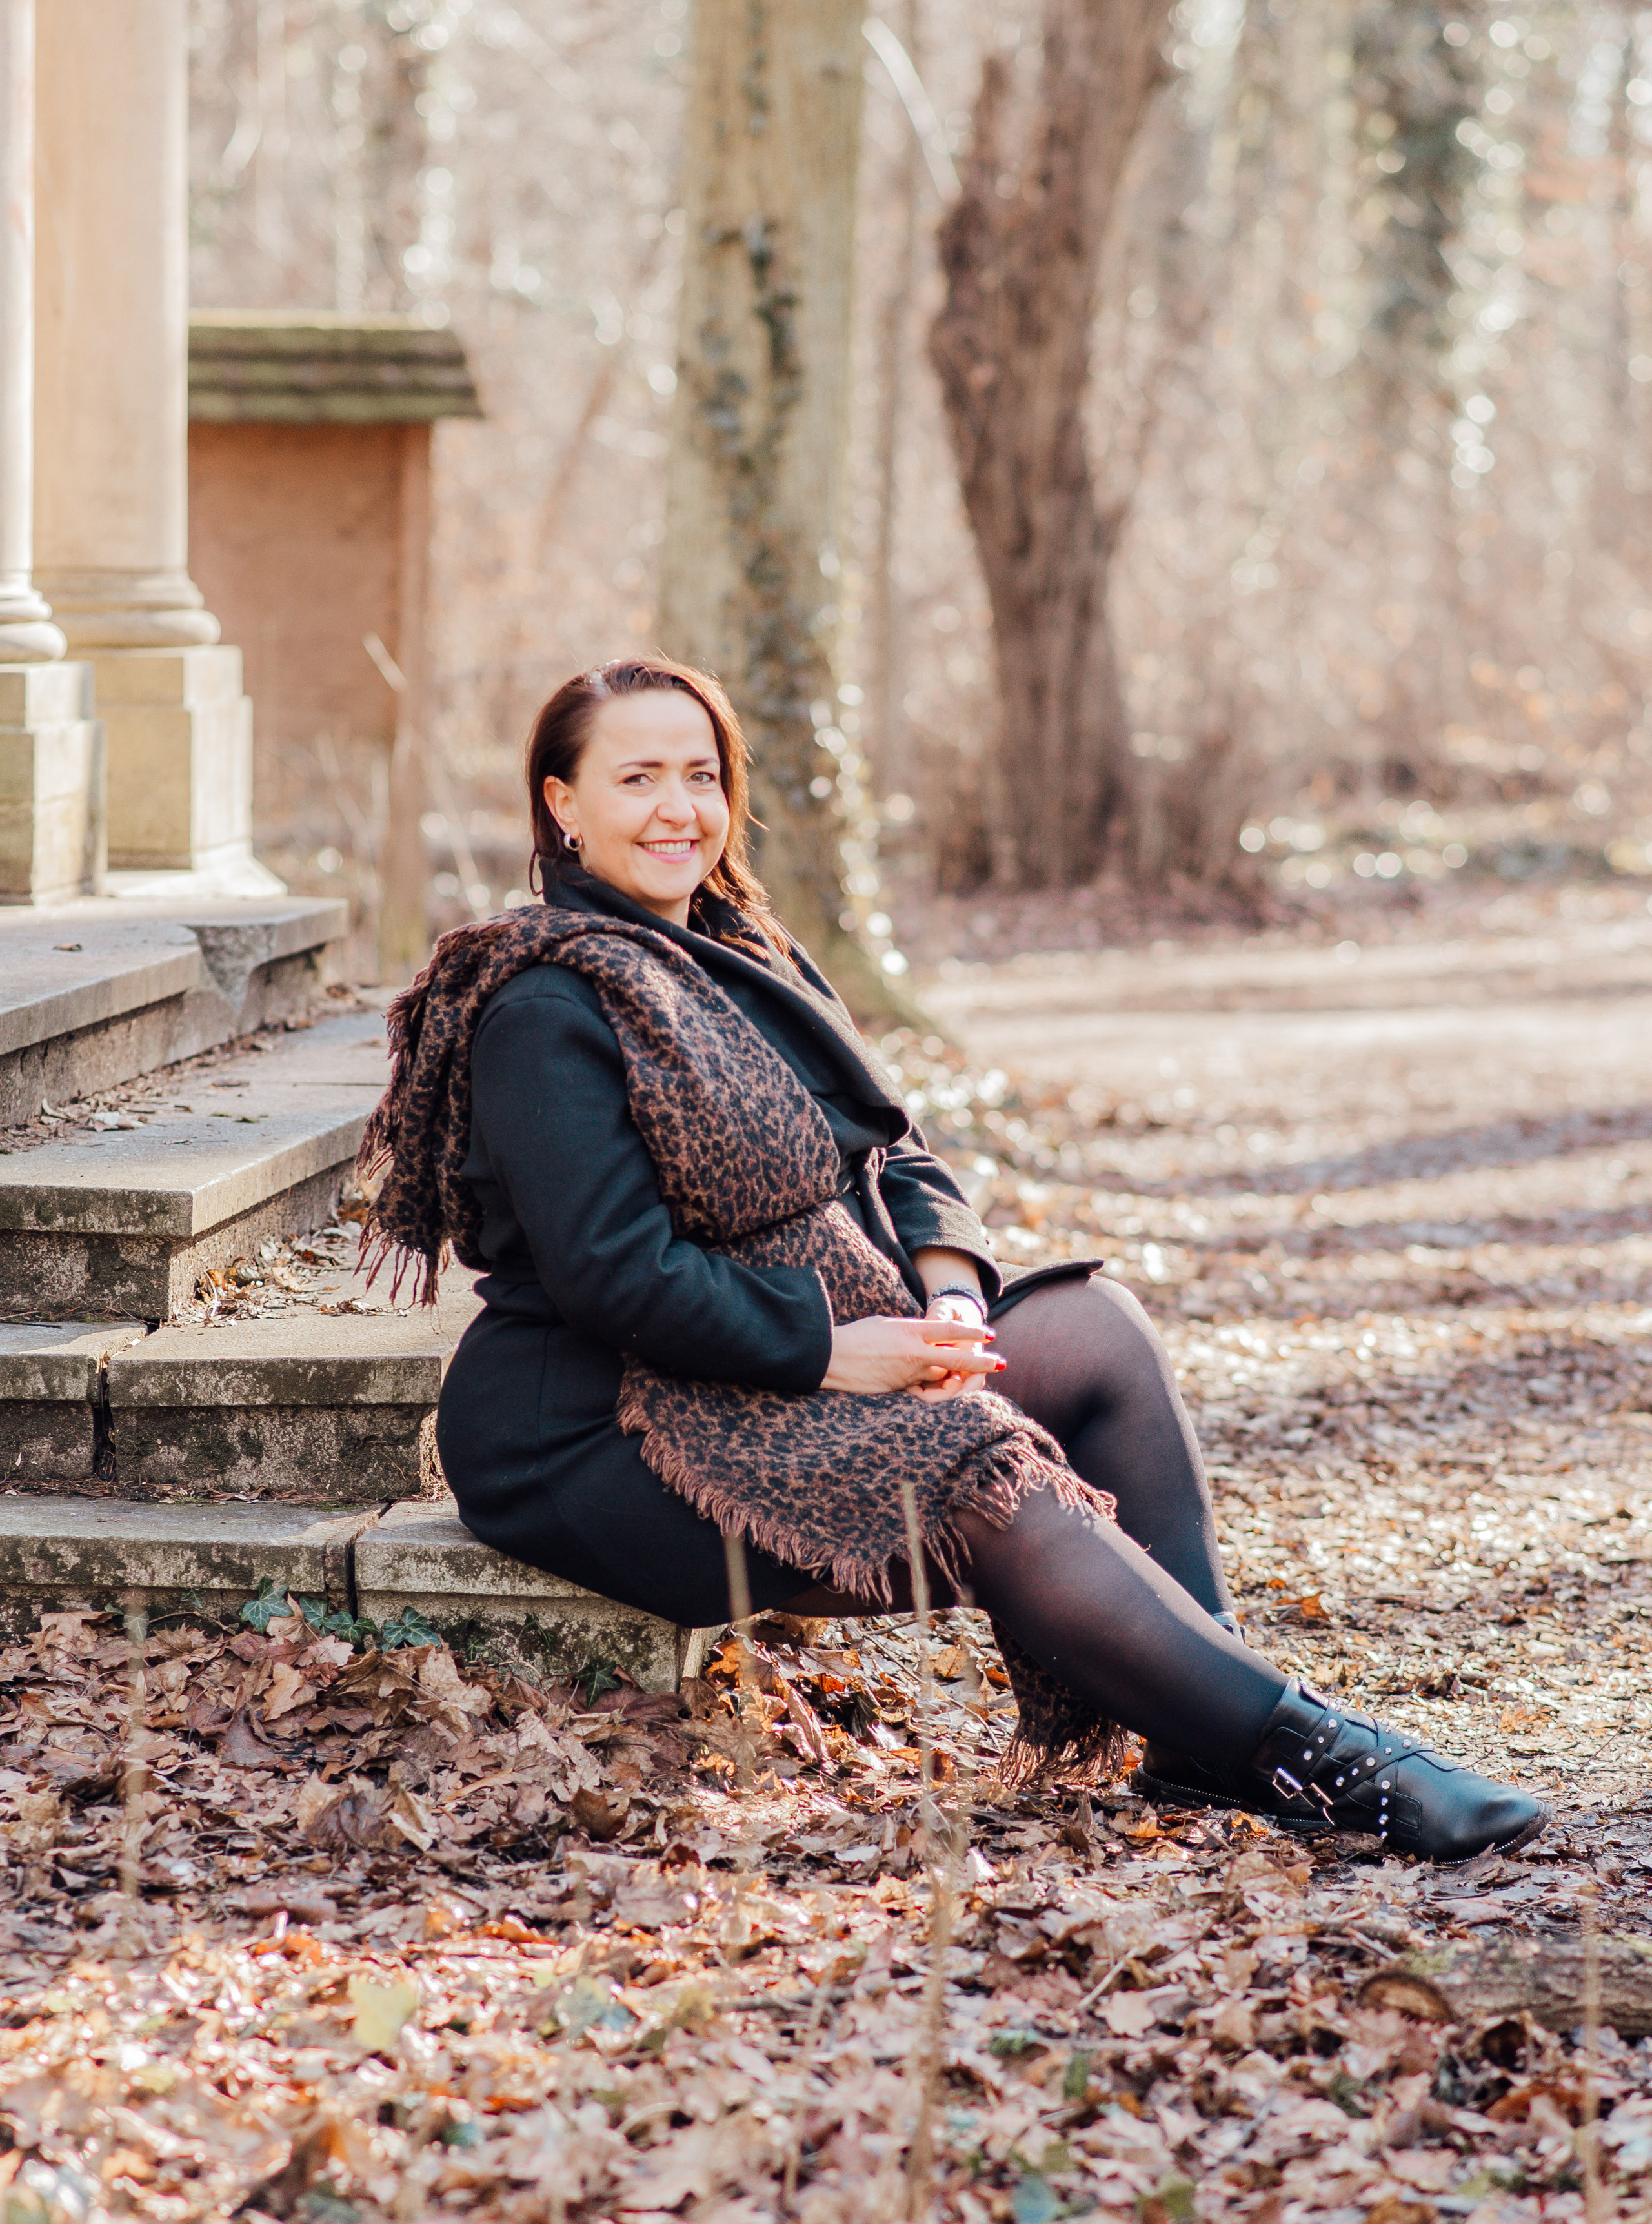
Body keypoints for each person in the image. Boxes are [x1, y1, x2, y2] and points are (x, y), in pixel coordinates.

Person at [362, 654, 1544, 1863]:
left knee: (1095, 1330)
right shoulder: (544, 1006)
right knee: (980, 1468)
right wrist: (834, 1352)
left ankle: (1197, 1733)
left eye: (702, 775)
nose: (680, 808)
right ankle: (1329, 1757)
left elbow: (897, 1148)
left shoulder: (741, 952)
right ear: (562, 803)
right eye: (639, 777)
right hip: (592, 1430)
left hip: (780, 1361)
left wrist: (947, 1291)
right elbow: (617, 1275)